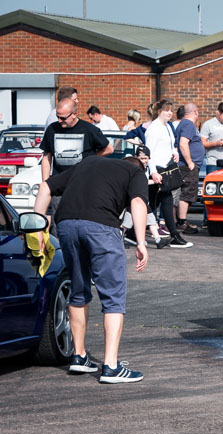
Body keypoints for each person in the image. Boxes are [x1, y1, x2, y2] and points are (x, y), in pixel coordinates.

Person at [32, 156, 149, 383]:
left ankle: (79, 356)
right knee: (113, 296)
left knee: (78, 290)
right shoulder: (136, 173)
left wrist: (37, 228)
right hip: (102, 227)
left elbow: (46, 186)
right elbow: (137, 202)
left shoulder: (88, 163)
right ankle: (111, 367)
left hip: (66, 225)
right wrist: (142, 243)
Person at [40, 98, 112, 224]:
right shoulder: (52, 129)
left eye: (63, 118)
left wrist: (90, 159)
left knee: (82, 221)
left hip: (83, 185)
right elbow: (46, 157)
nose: (59, 120)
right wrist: (46, 184)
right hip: (59, 186)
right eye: (57, 116)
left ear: (74, 114)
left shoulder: (89, 129)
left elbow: (108, 149)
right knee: (59, 223)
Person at [144, 99, 192, 248]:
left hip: (166, 168)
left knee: (153, 202)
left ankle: (130, 231)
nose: (170, 113)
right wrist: (153, 172)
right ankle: (174, 235)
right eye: (167, 110)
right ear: (159, 112)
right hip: (158, 170)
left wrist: (174, 152)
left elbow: (171, 144)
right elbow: (149, 152)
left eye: (171, 110)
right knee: (161, 201)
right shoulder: (154, 128)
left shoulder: (167, 126)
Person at [120, 145, 168, 249]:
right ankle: (119, 237)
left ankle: (158, 240)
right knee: (128, 222)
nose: (144, 161)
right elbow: (141, 182)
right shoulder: (135, 167)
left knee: (150, 218)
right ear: (136, 157)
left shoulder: (146, 168)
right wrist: (155, 182)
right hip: (135, 198)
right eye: (141, 158)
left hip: (142, 199)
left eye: (146, 158)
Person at [175, 102, 203, 234]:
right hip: (187, 166)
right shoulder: (188, 124)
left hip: (186, 165)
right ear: (195, 112)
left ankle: (181, 221)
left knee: (186, 194)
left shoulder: (183, 124)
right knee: (187, 194)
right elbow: (183, 143)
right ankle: (182, 223)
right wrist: (190, 162)